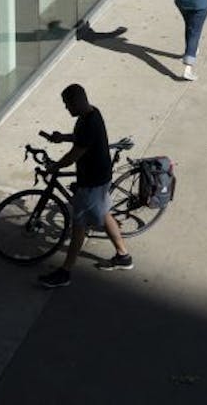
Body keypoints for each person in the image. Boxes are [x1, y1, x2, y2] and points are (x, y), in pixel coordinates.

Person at [38, 83, 134, 289]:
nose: (66, 108)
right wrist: (62, 137)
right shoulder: (89, 114)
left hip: (92, 181)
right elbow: (80, 138)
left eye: (67, 104)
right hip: (96, 178)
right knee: (104, 215)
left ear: (77, 101)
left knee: (78, 228)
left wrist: (54, 167)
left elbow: (74, 155)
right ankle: (124, 257)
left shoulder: (90, 122)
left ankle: (65, 272)